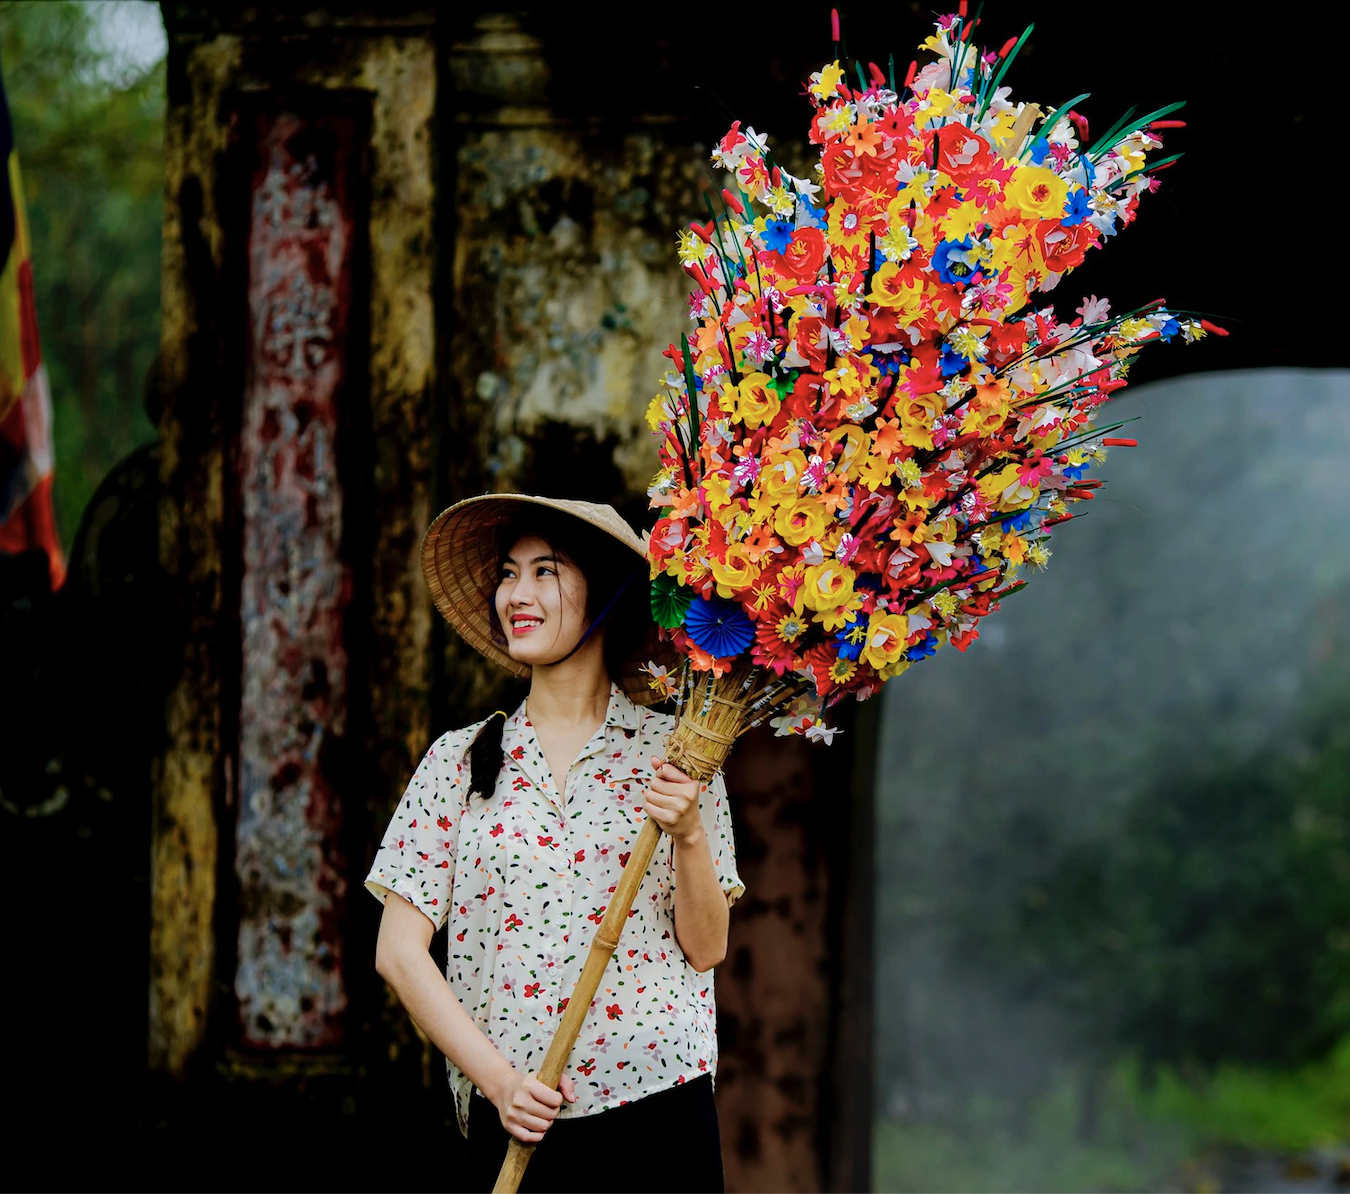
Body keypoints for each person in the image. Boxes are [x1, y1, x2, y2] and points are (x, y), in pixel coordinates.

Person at [366, 494, 745, 1193]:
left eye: (546, 571)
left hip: (658, 1112)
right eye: (509, 574)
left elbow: (707, 947)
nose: (518, 593)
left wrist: (688, 833)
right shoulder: (458, 761)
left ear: (604, 595)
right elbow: (397, 954)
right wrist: (501, 1084)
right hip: (519, 1122)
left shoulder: (678, 755)